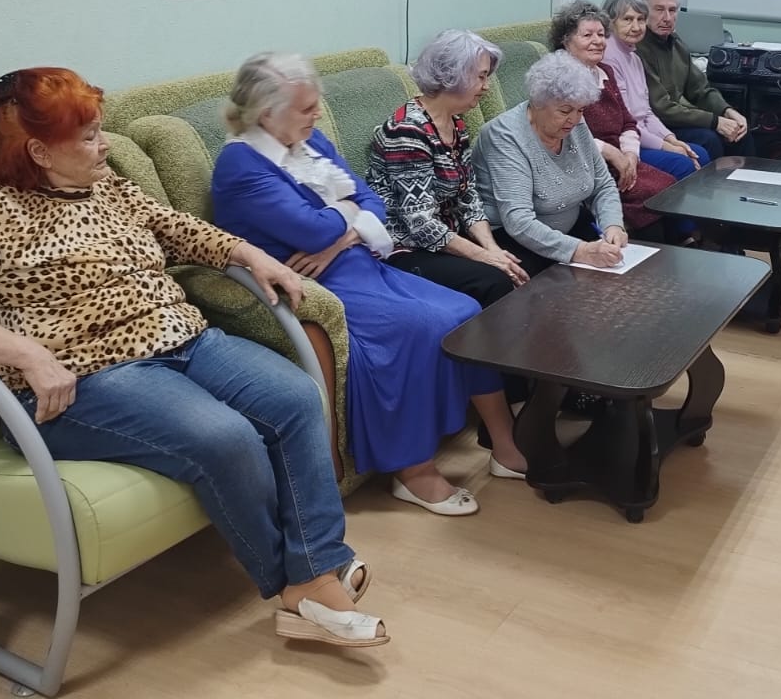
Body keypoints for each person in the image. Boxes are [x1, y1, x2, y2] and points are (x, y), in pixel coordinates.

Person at [0, 68, 387, 649]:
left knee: (297, 397)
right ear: (39, 152)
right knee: (225, 438)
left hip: (185, 340)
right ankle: (304, 583)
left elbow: (176, 229)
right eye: (88, 137)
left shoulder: (106, 186)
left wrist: (250, 254)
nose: (105, 145)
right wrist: (28, 353)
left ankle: (313, 572)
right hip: (88, 380)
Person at [210, 53, 528, 517]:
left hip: (356, 263)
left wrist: (342, 235)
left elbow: (370, 199)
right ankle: (413, 471)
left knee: (465, 310)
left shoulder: (308, 139)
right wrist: (348, 222)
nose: (317, 115)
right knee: (418, 326)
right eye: (306, 108)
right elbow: (314, 231)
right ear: (266, 114)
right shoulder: (240, 164)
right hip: (315, 283)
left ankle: (504, 443)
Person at [366, 30, 529, 308]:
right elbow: (420, 224)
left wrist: (492, 249)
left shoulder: (455, 123)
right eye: (481, 77)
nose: (487, 86)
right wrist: (486, 257)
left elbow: (468, 196)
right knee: (495, 280)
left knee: (521, 259)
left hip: (445, 238)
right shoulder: (407, 131)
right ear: (453, 75)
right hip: (406, 248)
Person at [473, 51, 628, 277]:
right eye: (565, 111)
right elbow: (519, 222)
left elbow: (602, 185)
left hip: (571, 230)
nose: (574, 119)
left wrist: (613, 225)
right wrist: (581, 251)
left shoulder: (575, 123)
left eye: (580, 110)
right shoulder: (504, 135)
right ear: (538, 103)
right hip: (517, 241)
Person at [549, 0, 688, 241]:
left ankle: (681, 247)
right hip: (586, 164)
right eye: (587, 35)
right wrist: (611, 152)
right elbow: (560, 134)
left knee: (668, 184)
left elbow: (628, 121)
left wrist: (631, 154)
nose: (597, 41)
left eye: (601, 34)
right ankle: (657, 253)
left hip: (620, 160)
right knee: (650, 194)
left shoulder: (605, 71)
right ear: (566, 41)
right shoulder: (557, 78)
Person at [634, 0, 754, 161]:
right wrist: (715, 121)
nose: (667, 18)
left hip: (678, 120)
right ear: (644, 13)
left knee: (741, 134)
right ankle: (711, 180)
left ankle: (745, 179)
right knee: (710, 139)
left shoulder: (676, 43)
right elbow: (661, 108)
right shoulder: (639, 49)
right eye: (659, 10)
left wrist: (727, 111)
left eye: (672, 10)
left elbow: (701, 90)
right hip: (656, 125)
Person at [601, 0, 707, 179]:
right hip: (626, 142)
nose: (636, 27)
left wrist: (672, 139)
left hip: (644, 135)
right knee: (683, 164)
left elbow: (646, 112)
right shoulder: (608, 57)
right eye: (628, 19)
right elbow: (626, 121)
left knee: (700, 153)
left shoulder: (634, 57)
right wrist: (666, 147)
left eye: (641, 19)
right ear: (611, 22)